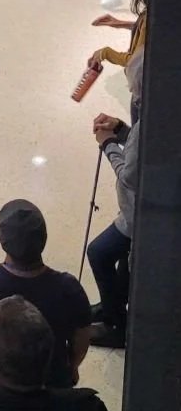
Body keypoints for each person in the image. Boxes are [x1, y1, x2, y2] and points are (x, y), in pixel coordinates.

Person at [0, 200, 91, 393]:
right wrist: (72, 367)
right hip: (52, 384)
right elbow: (82, 338)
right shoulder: (68, 288)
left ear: (3, 241)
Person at [87, 110, 140, 351]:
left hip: (139, 215)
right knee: (123, 263)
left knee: (99, 253)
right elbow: (143, 144)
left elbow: (130, 176)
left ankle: (117, 326)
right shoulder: (157, 106)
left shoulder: (157, 110)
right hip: (138, 211)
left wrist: (108, 144)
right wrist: (119, 129)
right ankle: (113, 305)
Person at [90, 0, 149, 126]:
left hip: (144, 93)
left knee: (137, 134)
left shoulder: (151, 17)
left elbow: (135, 61)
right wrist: (121, 24)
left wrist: (104, 53)